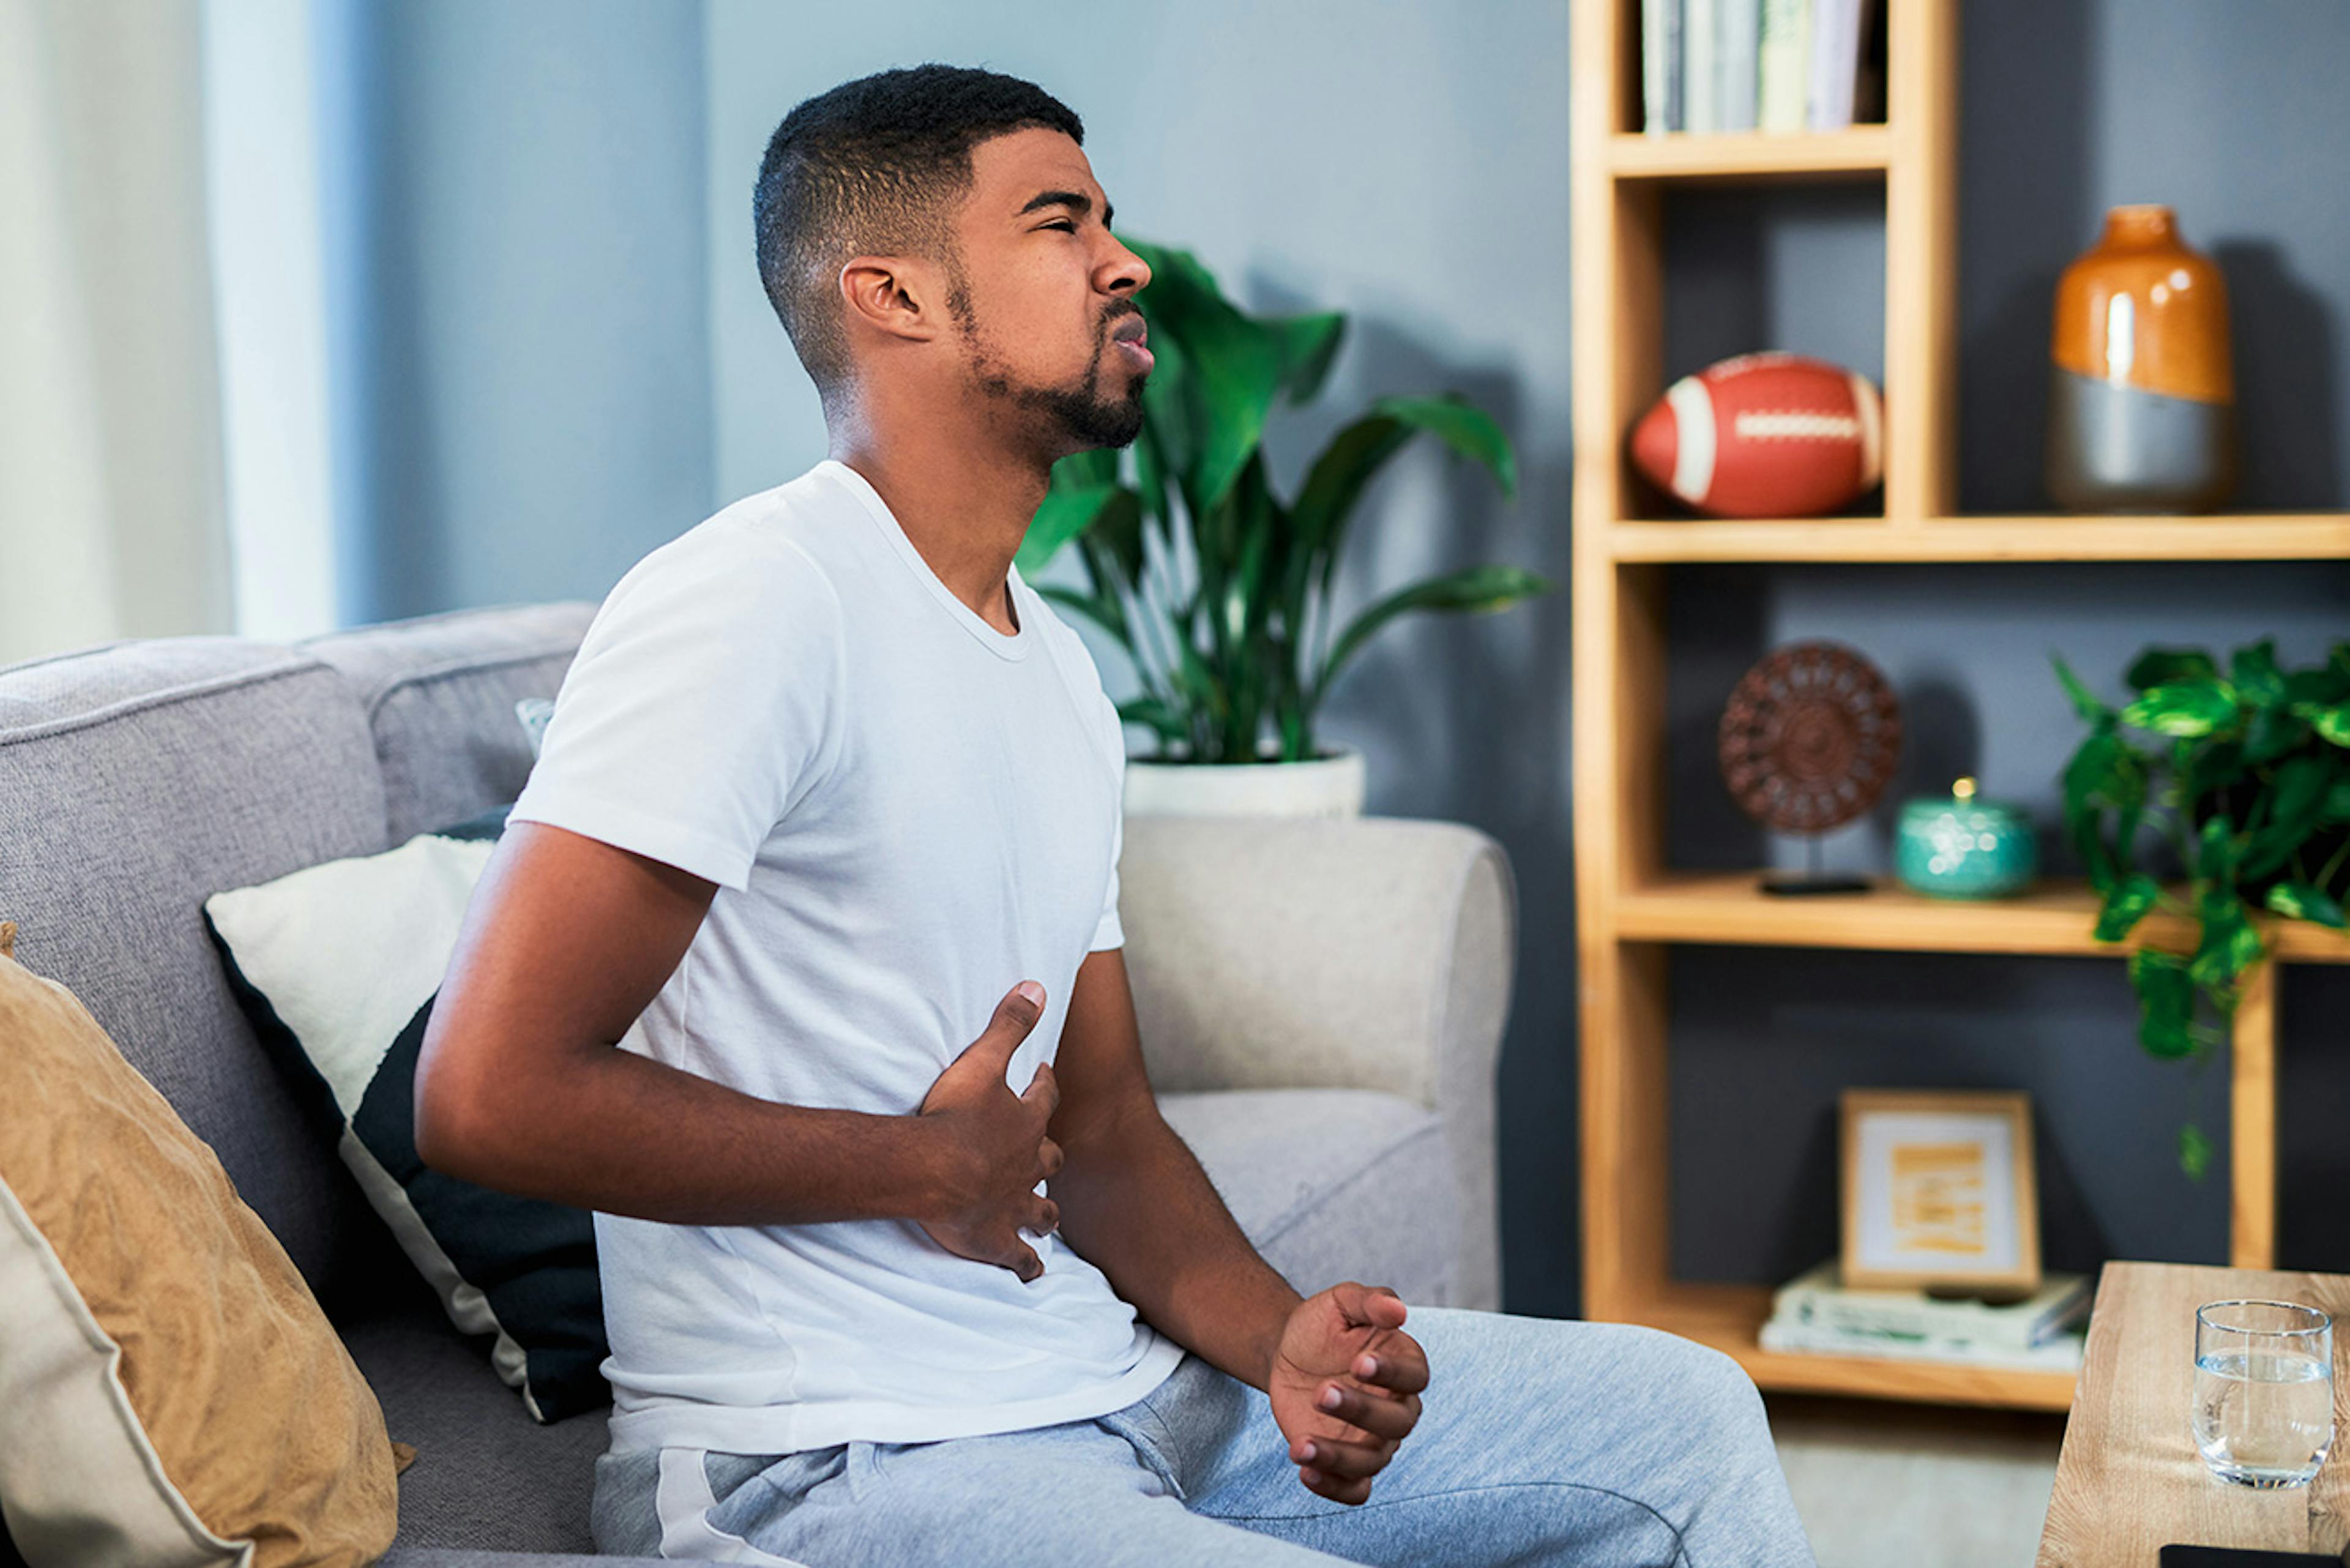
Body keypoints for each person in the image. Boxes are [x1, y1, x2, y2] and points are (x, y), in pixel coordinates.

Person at [414, 62, 1818, 1568]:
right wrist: (913, 1165)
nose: (1125, 259)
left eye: (1108, 219)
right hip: (838, 1461)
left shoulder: (1058, 674)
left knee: (1682, 1417)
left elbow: (1105, 1128)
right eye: (1057, 221)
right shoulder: (755, 602)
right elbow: (488, 1092)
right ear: (894, 296)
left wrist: (1279, 1342)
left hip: (1129, 1396)